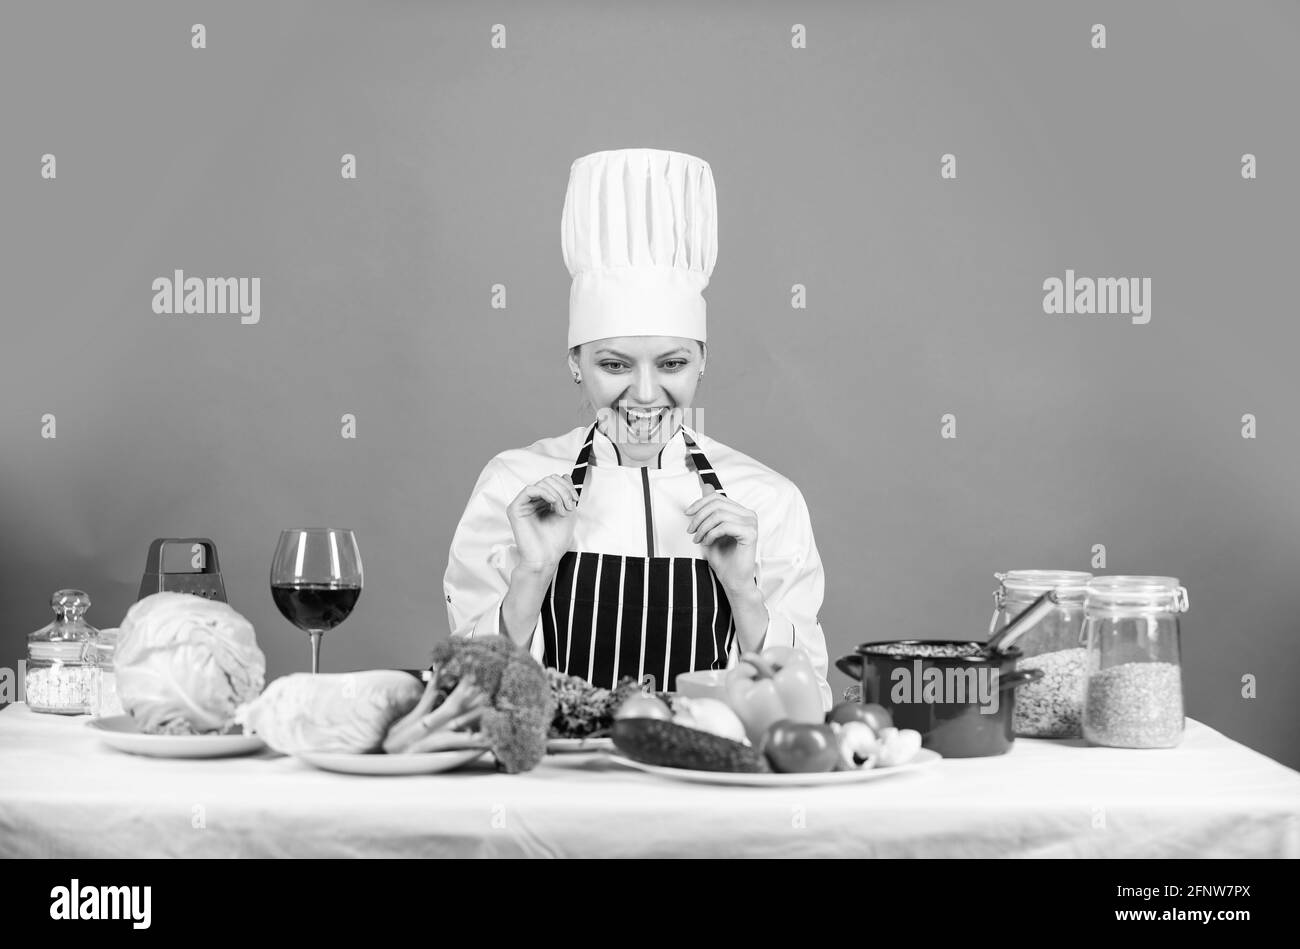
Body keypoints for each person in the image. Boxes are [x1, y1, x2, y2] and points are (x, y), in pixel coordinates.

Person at [441, 148, 833, 709]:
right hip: (560, 784)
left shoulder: (765, 501)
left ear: (703, 362)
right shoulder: (515, 486)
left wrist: (744, 593)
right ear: (575, 362)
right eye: (615, 364)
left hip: (707, 784)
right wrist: (533, 572)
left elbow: (808, 706)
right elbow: (469, 699)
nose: (645, 394)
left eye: (671, 364)